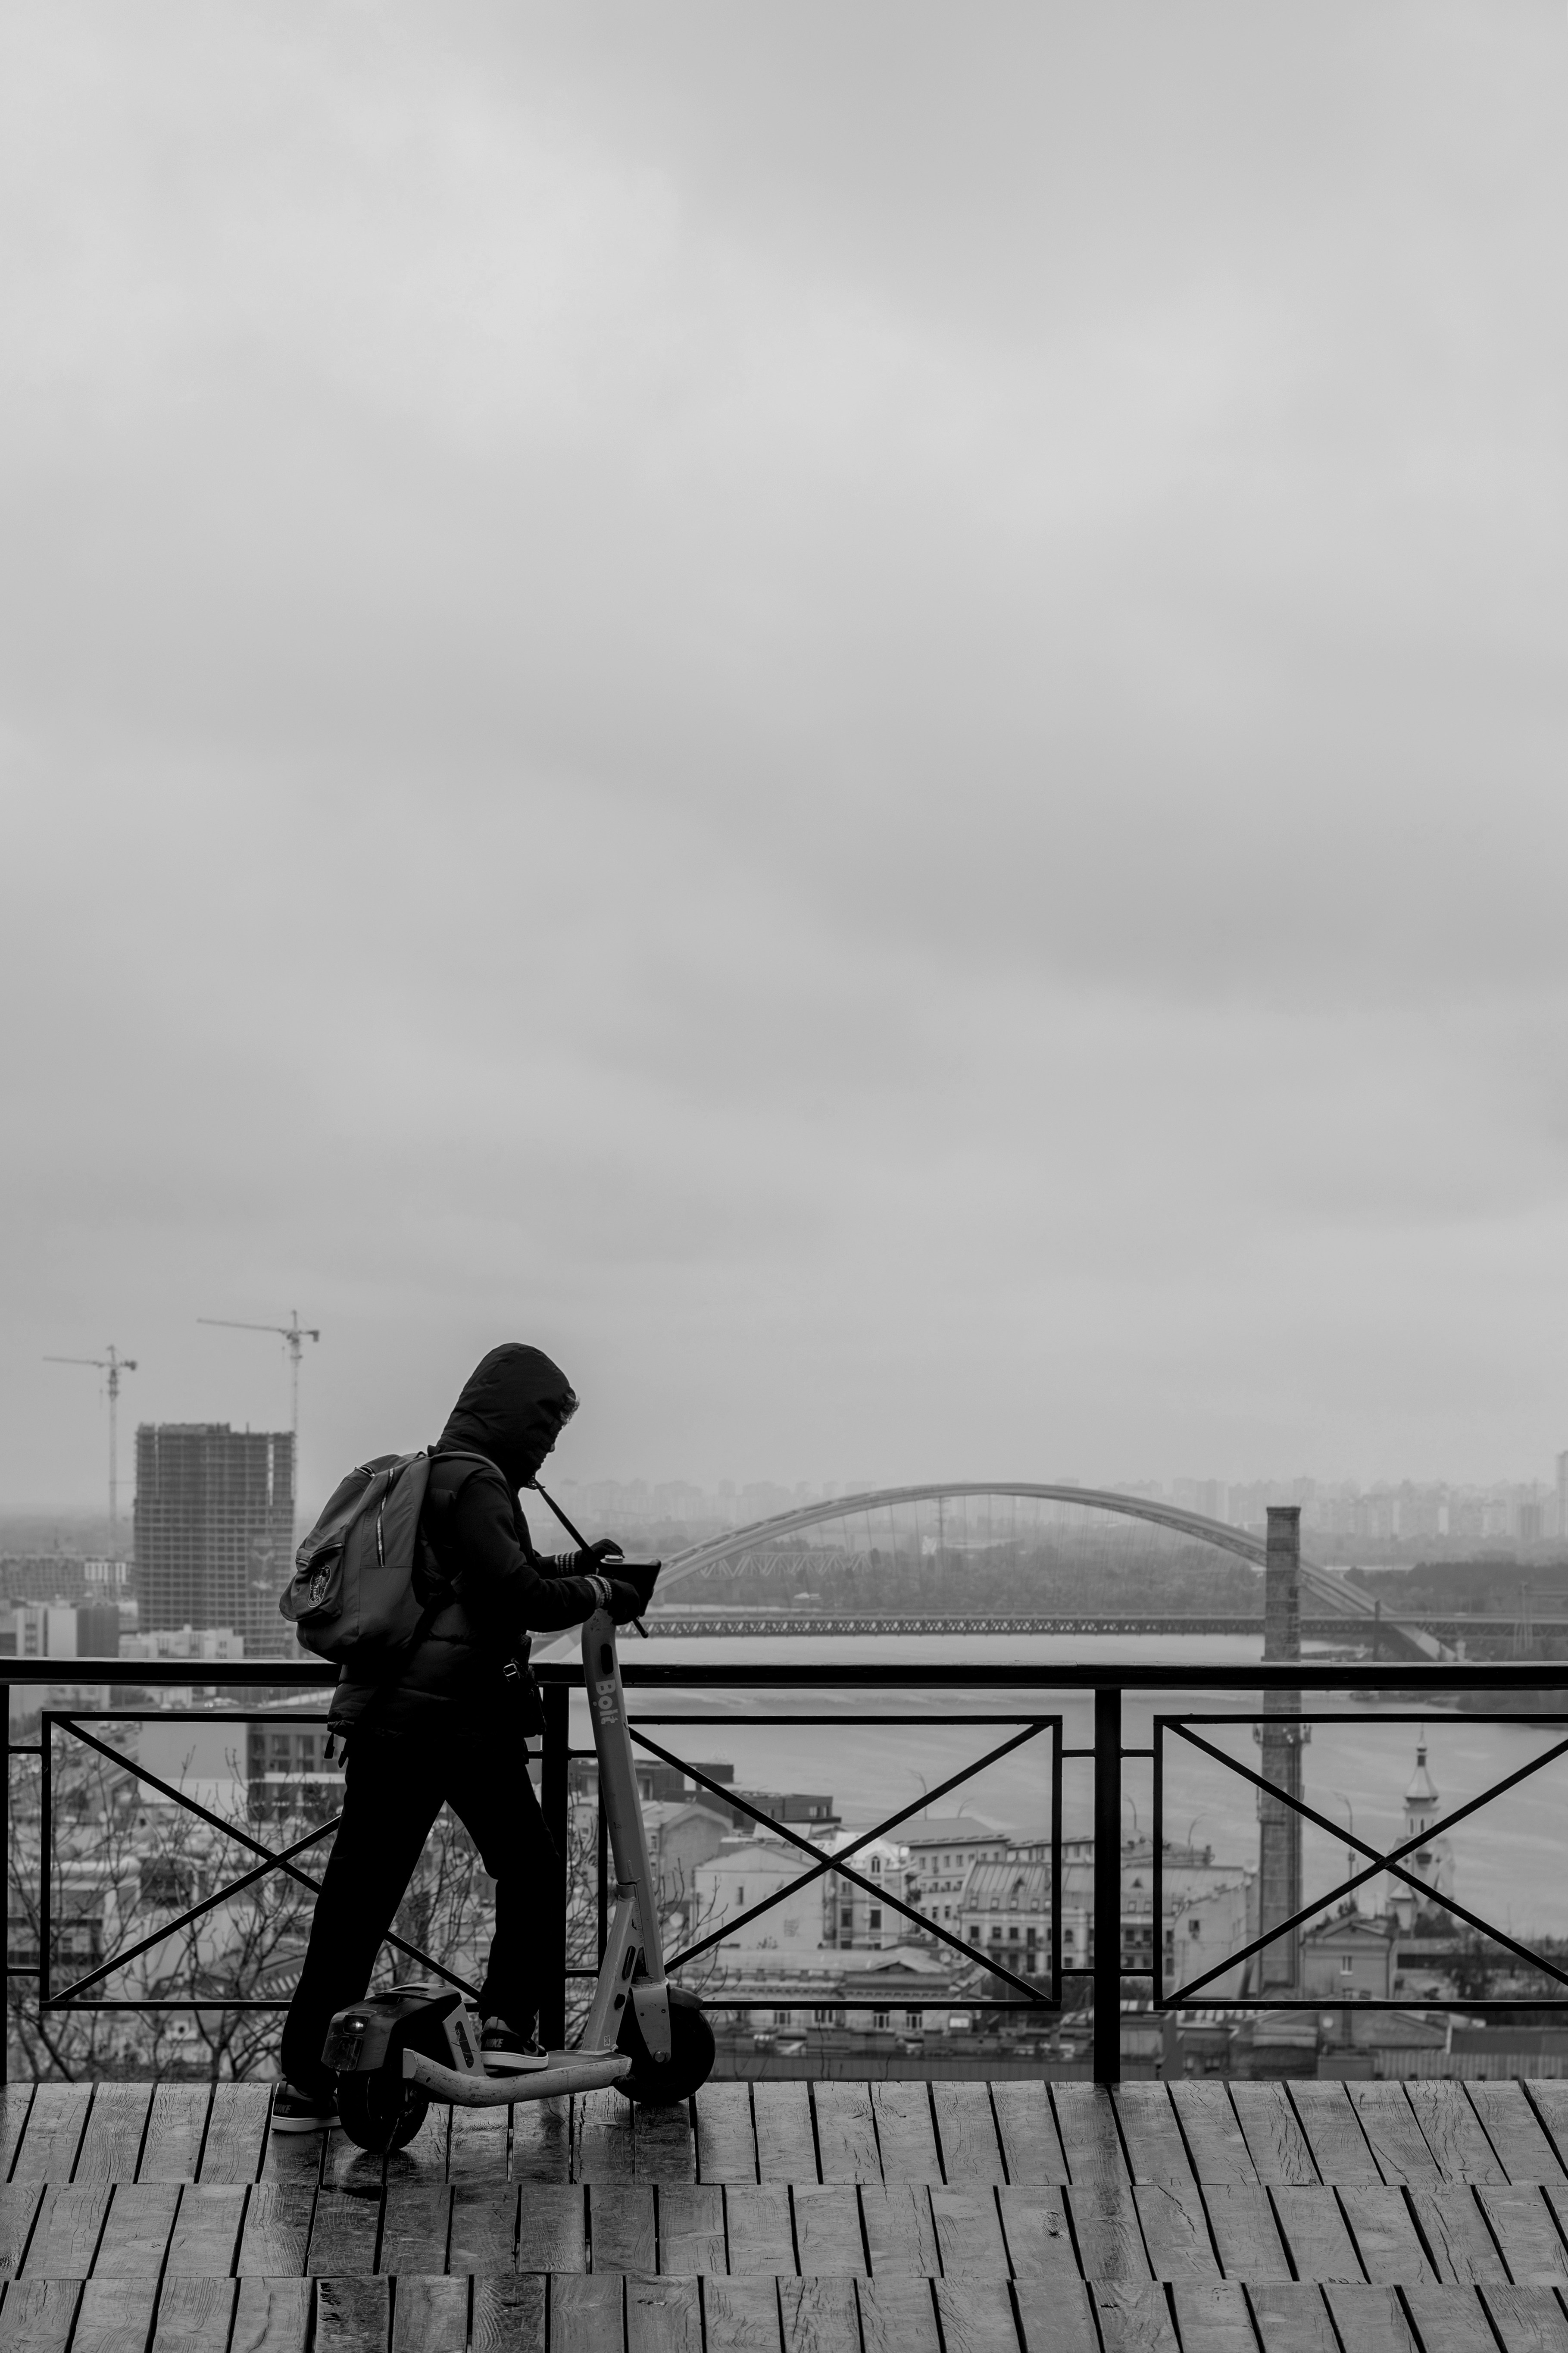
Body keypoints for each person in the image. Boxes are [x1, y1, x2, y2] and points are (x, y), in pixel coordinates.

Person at [273, 1342, 645, 2131]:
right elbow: (520, 1595)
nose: (548, 1443)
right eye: (545, 1424)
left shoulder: (442, 1472)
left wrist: (578, 1562)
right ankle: (506, 2026)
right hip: (454, 1721)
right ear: (516, 1416)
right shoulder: (477, 1482)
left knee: (357, 1900)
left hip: (387, 1717)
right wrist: (601, 1589)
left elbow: (484, 1576)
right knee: (532, 1867)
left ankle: (304, 2080)